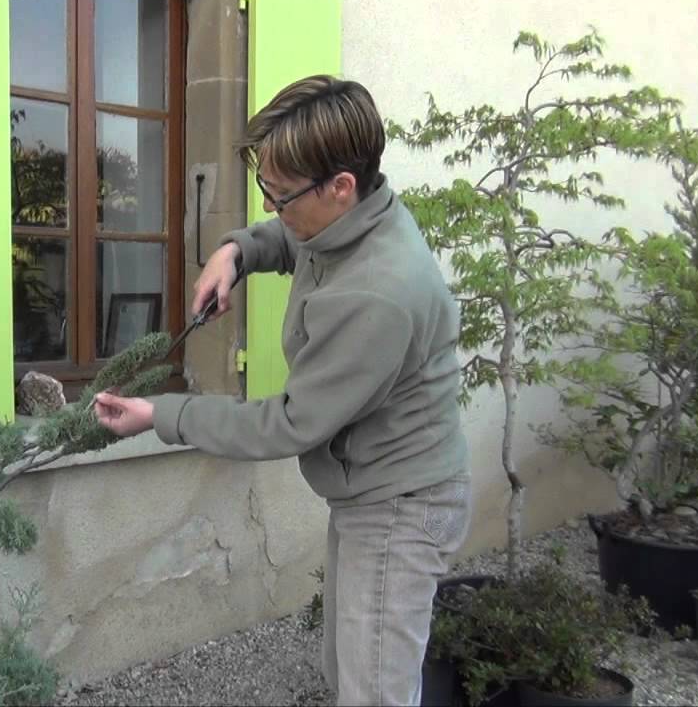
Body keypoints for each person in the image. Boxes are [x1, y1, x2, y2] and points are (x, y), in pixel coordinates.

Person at [93, 74, 471, 707]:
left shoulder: (378, 292)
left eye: (279, 194)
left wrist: (162, 414)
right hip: (372, 488)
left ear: (341, 186)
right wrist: (235, 254)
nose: (271, 207)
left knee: (374, 690)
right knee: (348, 668)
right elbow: (295, 240)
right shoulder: (354, 218)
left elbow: (288, 424)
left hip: (401, 504)